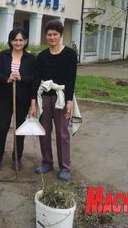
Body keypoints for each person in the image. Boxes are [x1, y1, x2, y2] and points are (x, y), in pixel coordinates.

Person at [30, 20, 77, 181]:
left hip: (61, 98)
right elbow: (36, 80)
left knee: (62, 133)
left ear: (60, 35)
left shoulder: (70, 54)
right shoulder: (42, 56)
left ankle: (65, 167)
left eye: (55, 34)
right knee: (44, 131)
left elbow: (71, 79)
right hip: (44, 97)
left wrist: (69, 101)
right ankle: (47, 162)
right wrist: (33, 102)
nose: (52, 37)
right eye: (49, 34)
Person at [0, 28, 35, 171]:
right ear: (10, 41)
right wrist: (7, 78)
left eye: (21, 40)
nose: (18, 42)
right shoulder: (3, 56)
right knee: (3, 127)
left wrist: (21, 77)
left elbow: (34, 78)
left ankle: (17, 158)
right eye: (15, 40)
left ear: (26, 41)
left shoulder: (30, 58)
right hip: (5, 98)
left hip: (23, 99)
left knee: (20, 129)